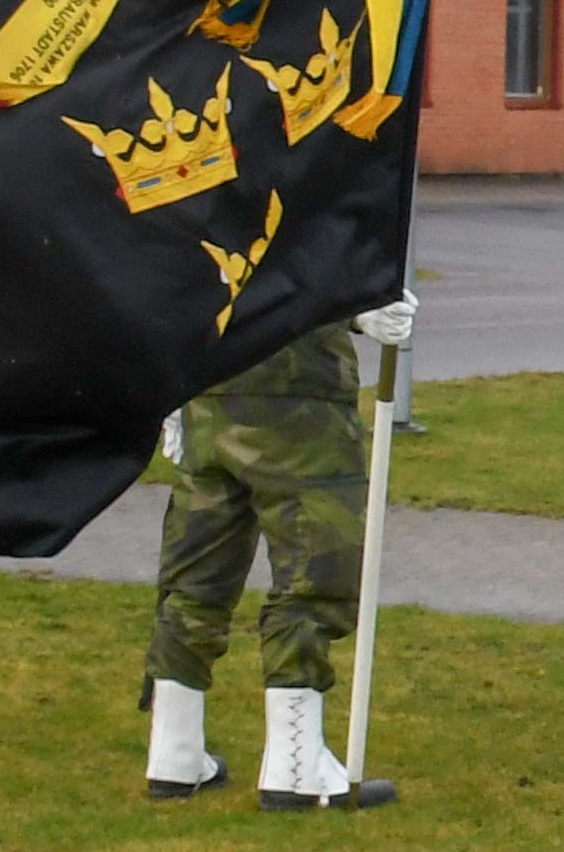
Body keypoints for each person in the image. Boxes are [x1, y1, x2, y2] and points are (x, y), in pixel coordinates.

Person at [145, 296, 422, 807]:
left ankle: (174, 752)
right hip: (299, 394)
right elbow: (306, 259)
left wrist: (168, 388)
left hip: (208, 380)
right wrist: (358, 308)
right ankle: (295, 767)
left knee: (197, 572)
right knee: (313, 570)